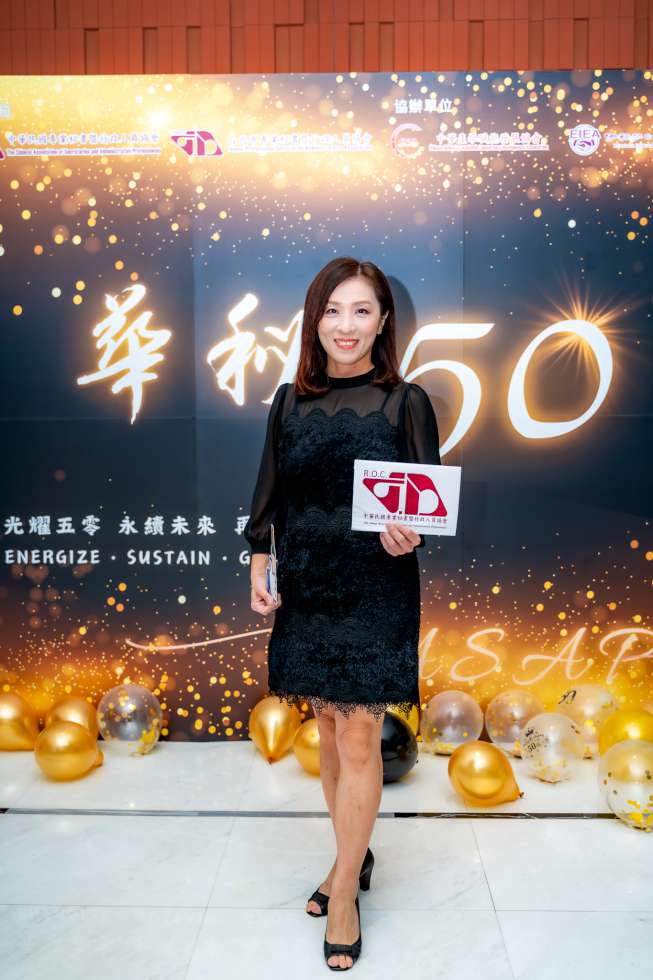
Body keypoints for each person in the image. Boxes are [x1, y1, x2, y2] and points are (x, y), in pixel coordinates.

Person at [244, 256, 441, 970]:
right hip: (308, 586)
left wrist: (409, 531)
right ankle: (349, 858)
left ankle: (346, 896)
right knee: (327, 728)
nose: (346, 325)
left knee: (358, 737)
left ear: (383, 321)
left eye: (361, 310)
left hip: (374, 586)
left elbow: (425, 501)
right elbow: (269, 491)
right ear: (314, 320)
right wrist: (259, 560)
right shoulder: (288, 400)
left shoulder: (405, 401)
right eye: (333, 311)